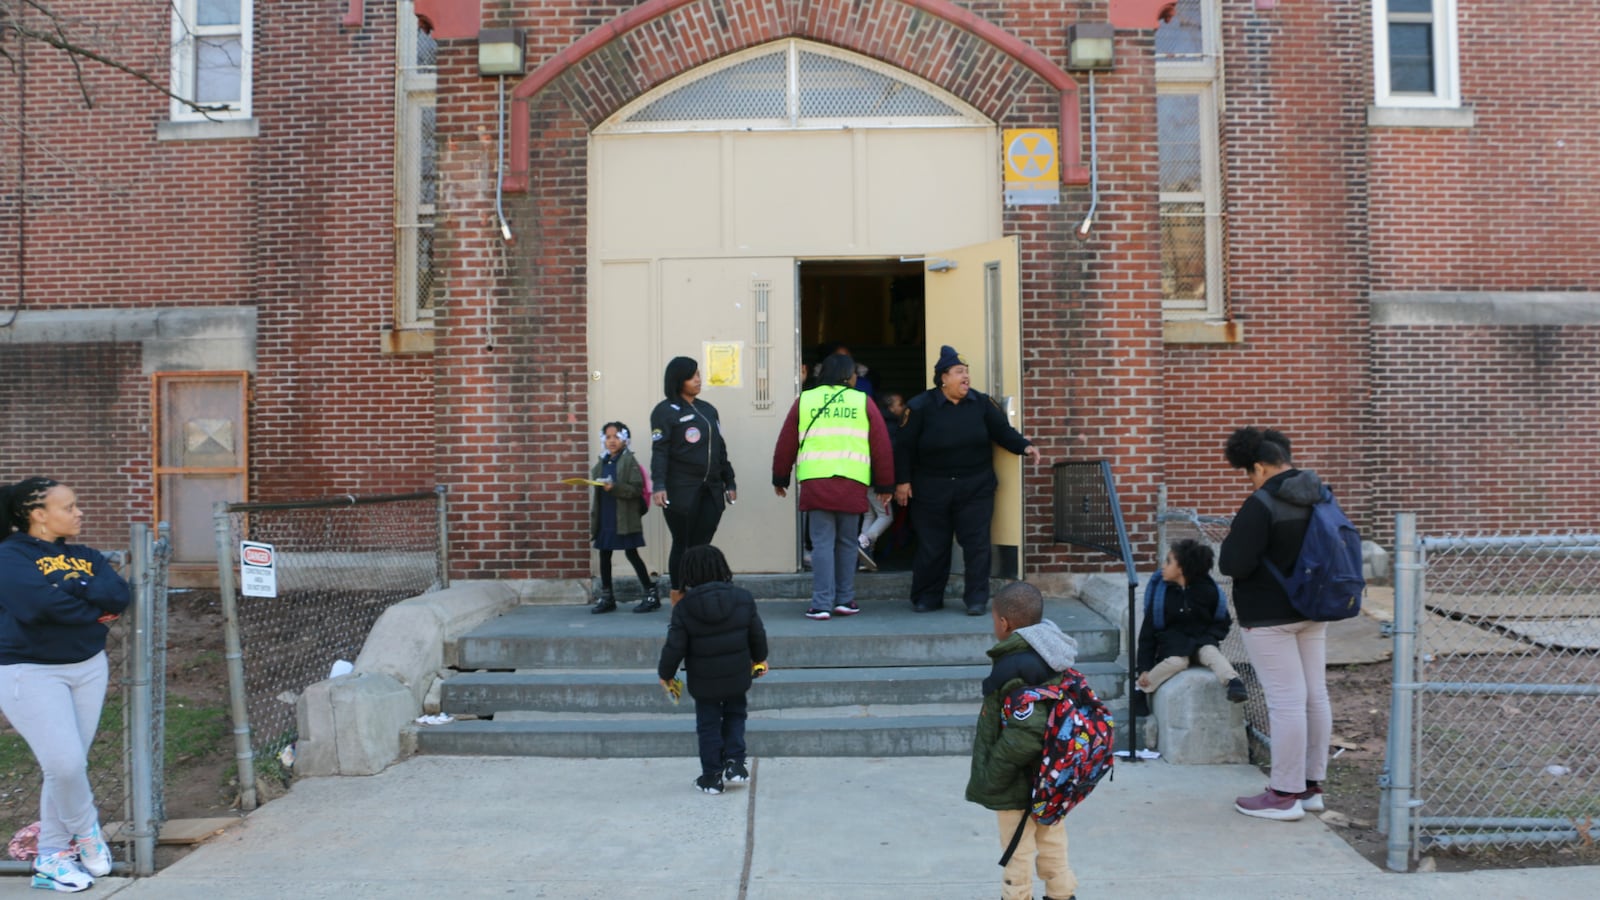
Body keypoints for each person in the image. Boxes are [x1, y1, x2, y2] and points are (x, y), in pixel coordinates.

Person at [0, 477, 130, 893]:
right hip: (30, 670)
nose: (79, 513)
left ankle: (52, 858)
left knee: (67, 769)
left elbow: (118, 595)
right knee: (65, 764)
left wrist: (72, 587)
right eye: (69, 507)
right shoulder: (10, 556)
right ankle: (87, 830)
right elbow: (37, 607)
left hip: (88, 667)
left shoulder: (85, 554)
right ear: (39, 514)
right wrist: (90, 605)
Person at [1218, 426, 1331, 822]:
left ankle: (1284, 795)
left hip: (1269, 618)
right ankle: (1311, 787)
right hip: (1313, 610)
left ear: (1262, 466)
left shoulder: (1262, 503)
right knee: (1314, 695)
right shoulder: (1321, 494)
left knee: (1285, 702)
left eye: (1250, 472)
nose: (1250, 480)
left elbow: (1232, 563)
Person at [894, 345, 1041, 615]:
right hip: (931, 488)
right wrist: (902, 482)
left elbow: (1002, 431)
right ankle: (927, 597)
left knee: (976, 546)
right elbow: (903, 446)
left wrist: (1025, 446)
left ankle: (976, 599)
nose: (966, 377)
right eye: (959, 372)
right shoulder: (920, 407)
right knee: (932, 547)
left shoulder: (981, 403)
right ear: (943, 378)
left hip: (975, 486)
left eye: (967, 372)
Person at [964, 582, 1080, 900]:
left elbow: (1025, 733)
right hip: (1052, 775)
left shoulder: (1014, 667)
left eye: (994, 620)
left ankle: (1016, 896)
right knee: (1052, 838)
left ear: (1005, 623)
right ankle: (1061, 893)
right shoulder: (1051, 655)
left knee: (1018, 849)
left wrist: (993, 775)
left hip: (1018, 781)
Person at [771, 353, 894, 619]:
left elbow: (786, 442)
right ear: (847, 376)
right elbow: (881, 445)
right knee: (848, 543)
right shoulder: (862, 402)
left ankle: (821, 604)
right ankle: (845, 600)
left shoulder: (806, 400)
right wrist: (885, 484)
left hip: (816, 483)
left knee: (822, 544)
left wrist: (780, 477)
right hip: (852, 483)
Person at [656, 545, 769, 794]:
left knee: (708, 725)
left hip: (704, 680)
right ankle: (736, 763)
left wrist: (665, 673)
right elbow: (757, 634)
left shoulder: (684, 608)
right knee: (735, 716)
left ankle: (711, 777)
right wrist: (760, 659)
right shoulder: (743, 598)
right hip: (737, 675)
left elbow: (674, 646)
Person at [650, 357, 737, 605]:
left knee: (702, 546)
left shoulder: (708, 410)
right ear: (678, 380)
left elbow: (720, 449)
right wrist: (659, 485)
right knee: (683, 543)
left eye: (699, 374)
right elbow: (660, 452)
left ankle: (698, 593)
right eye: (692, 376)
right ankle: (678, 595)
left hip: (711, 489)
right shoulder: (664, 411)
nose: (698, 380)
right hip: (681, 490)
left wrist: (729, 482)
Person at [1133, 539, 1247, 716]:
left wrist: (1211, 636)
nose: (1163, 566)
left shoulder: (1208, 591)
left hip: (1201, 641)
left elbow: (1222, 620)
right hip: (1174, 646)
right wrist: (1143, 668)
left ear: (1182, 568)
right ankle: (1140, 689)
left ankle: (1233, 682)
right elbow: (1147, 636)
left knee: (1211, 652)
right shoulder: (1163, 595)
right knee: (1177, 662)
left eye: (1169, 562)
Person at [589, 422, 660, 614]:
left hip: (624, 518)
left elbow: (636, 490)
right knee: (604, 555)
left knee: (632, 554)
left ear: (625, 439)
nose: (612, 441)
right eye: (608, 437)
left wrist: (616, 488)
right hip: (606, 517)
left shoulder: (629, 461)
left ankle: (651, 594)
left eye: (616, 437)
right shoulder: (603, 461)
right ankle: (607, 597)